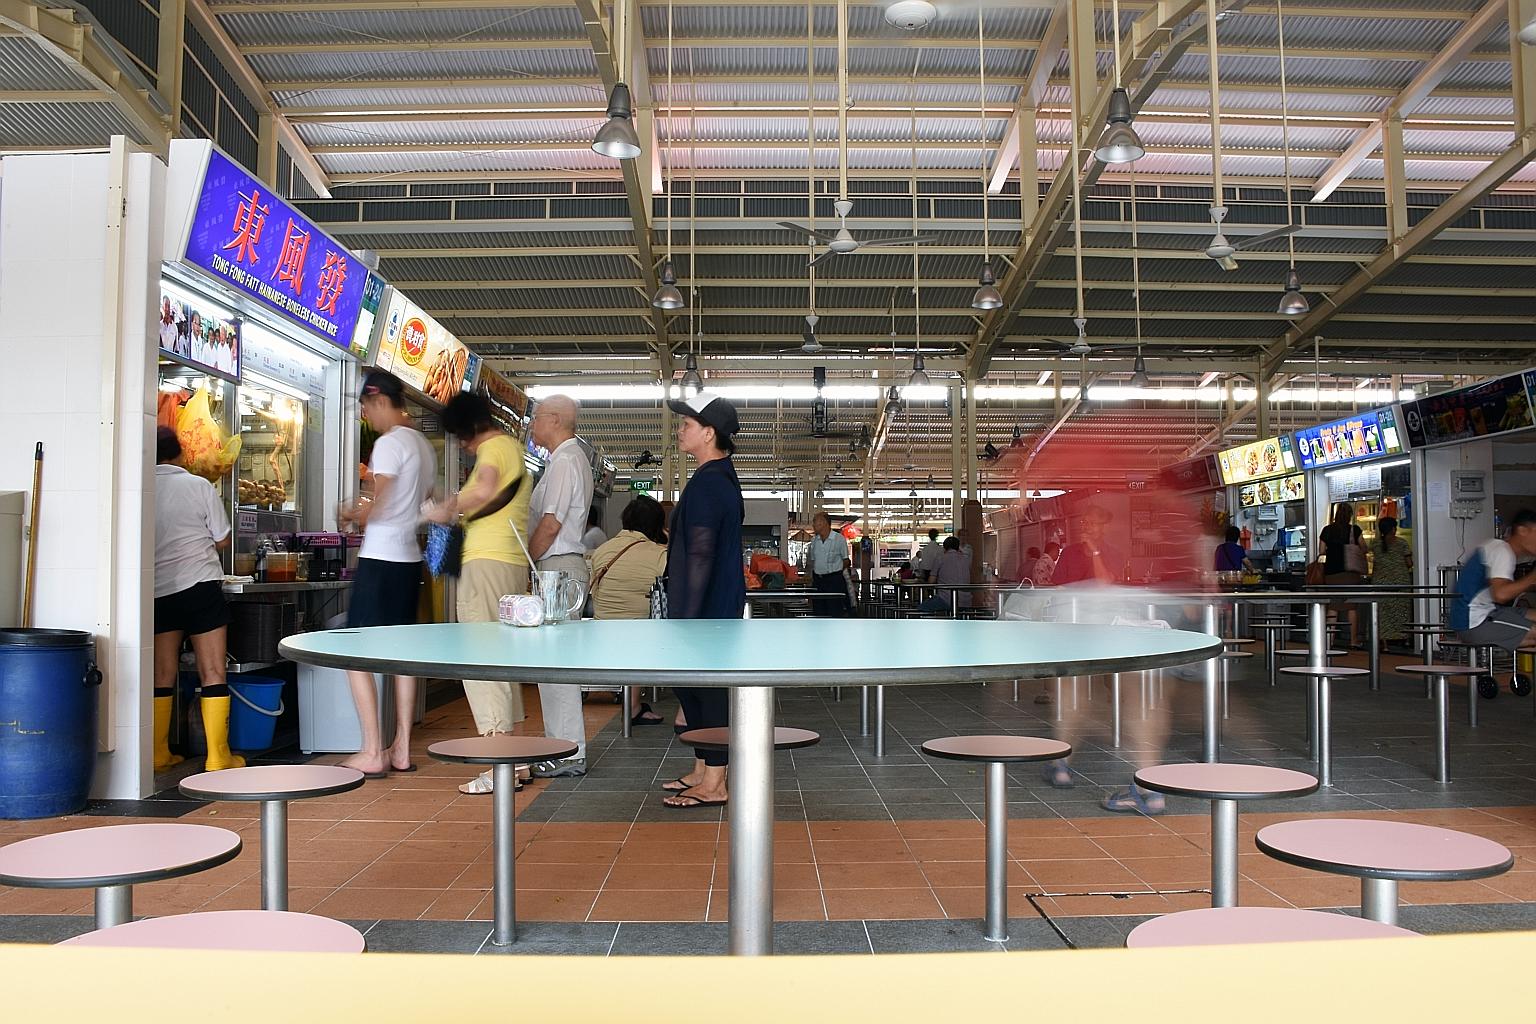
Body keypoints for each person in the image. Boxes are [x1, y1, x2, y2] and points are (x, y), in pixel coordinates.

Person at [337, 371, 436, 778]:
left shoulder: (390, 442)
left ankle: (372, 749)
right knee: (402, 656)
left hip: (380, 558)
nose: (366, 416)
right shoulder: (423, 446)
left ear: (379, 401)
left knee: (354, 654)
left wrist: (351, 512)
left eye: (365, 407)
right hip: (409, 558)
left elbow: (381, 503)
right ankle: (402, 750)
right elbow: (422, 503)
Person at [433, 392, 532, 796]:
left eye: (460, 437)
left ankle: (498, 765)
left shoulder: (492, 447)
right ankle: (518, 759)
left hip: (485, 562)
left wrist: (446, 507)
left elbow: (485, 487)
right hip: (508, 564)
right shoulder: (512, 447)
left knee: (481, 661)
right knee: (505, 662)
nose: (462, 445)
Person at [661, 391, 745, 809]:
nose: (680, 430)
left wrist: (686, 621)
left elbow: (700, 553)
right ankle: (702, 769)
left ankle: (715, 782)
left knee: (707, 692)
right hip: (708, 607)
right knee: (691, 689)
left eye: (687, 425)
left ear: (709, 433)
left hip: (704, 610)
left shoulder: (712, 483)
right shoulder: (715, 477)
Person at [152, 427, 240, 772]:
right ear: (180, 455)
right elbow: (222, 539)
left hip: (159, 590)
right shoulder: (198, 485)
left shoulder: (140, 488)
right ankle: (218, 757)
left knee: (162, 673)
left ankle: (158, 754)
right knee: (213, 670)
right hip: (200, 586)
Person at [524, 394, 595, 779]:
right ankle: (564, 748)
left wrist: (528, 562)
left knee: (555, 668)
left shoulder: (566, 461)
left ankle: (567, 752)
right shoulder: (567, 460)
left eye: (535, 418)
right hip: (561, 569)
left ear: (553, 419)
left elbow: (550, 524)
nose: (532, 425)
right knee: (554, 666)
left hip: (557, 570)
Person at [590, 495, 670, 725]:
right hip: (642, 635)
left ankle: (634, 706)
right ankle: (634, 707)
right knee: (644, 638)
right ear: (657, 525)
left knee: (633, 641)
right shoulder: (658, 554)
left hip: (602, 628)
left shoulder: (602, 551)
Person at [1457, 509, 1536, 650]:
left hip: (1485, 613)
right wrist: (1532, 577)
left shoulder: (1496, 546)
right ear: (1523, 530)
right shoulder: (1503, 551)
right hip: (1475, 623)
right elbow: (1501, 595)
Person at [1319, 502, 1365, 646]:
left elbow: (1321, 551)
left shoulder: (1327, 530)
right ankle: (1353, 640)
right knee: (1351, 606)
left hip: (1331, 573)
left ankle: (1329, 640)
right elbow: (1364, 547)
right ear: (1350, 516)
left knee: (1333, 606)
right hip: (1350, 572)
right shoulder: (1354, 530)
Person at [1370, 516, 1413, 651]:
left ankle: (1384, 644)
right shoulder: (1402, 543)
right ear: (1394, 529)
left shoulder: (1375, 544)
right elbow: (1409, 563)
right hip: (1400, 582)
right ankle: (1405, 639)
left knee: (1382, 614)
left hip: (1380, 583)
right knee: (1402, 611)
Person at [807, 510, 851, 617]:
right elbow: (813, 561)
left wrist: (837, 570)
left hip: (834, 580)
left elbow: (846, 560)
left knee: (834, 610)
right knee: (819, 612)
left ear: (824, 523)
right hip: (818, 580)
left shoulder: (838, 539)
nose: (813, 525)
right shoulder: (814, 541)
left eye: (815, 522)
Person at [917, 536, 970, 614]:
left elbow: (931, 581)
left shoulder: (940, 558)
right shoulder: (965, 559)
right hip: (966, 600)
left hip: (945, 599)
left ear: (944, 547)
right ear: (958, 547)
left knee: (921, 608)